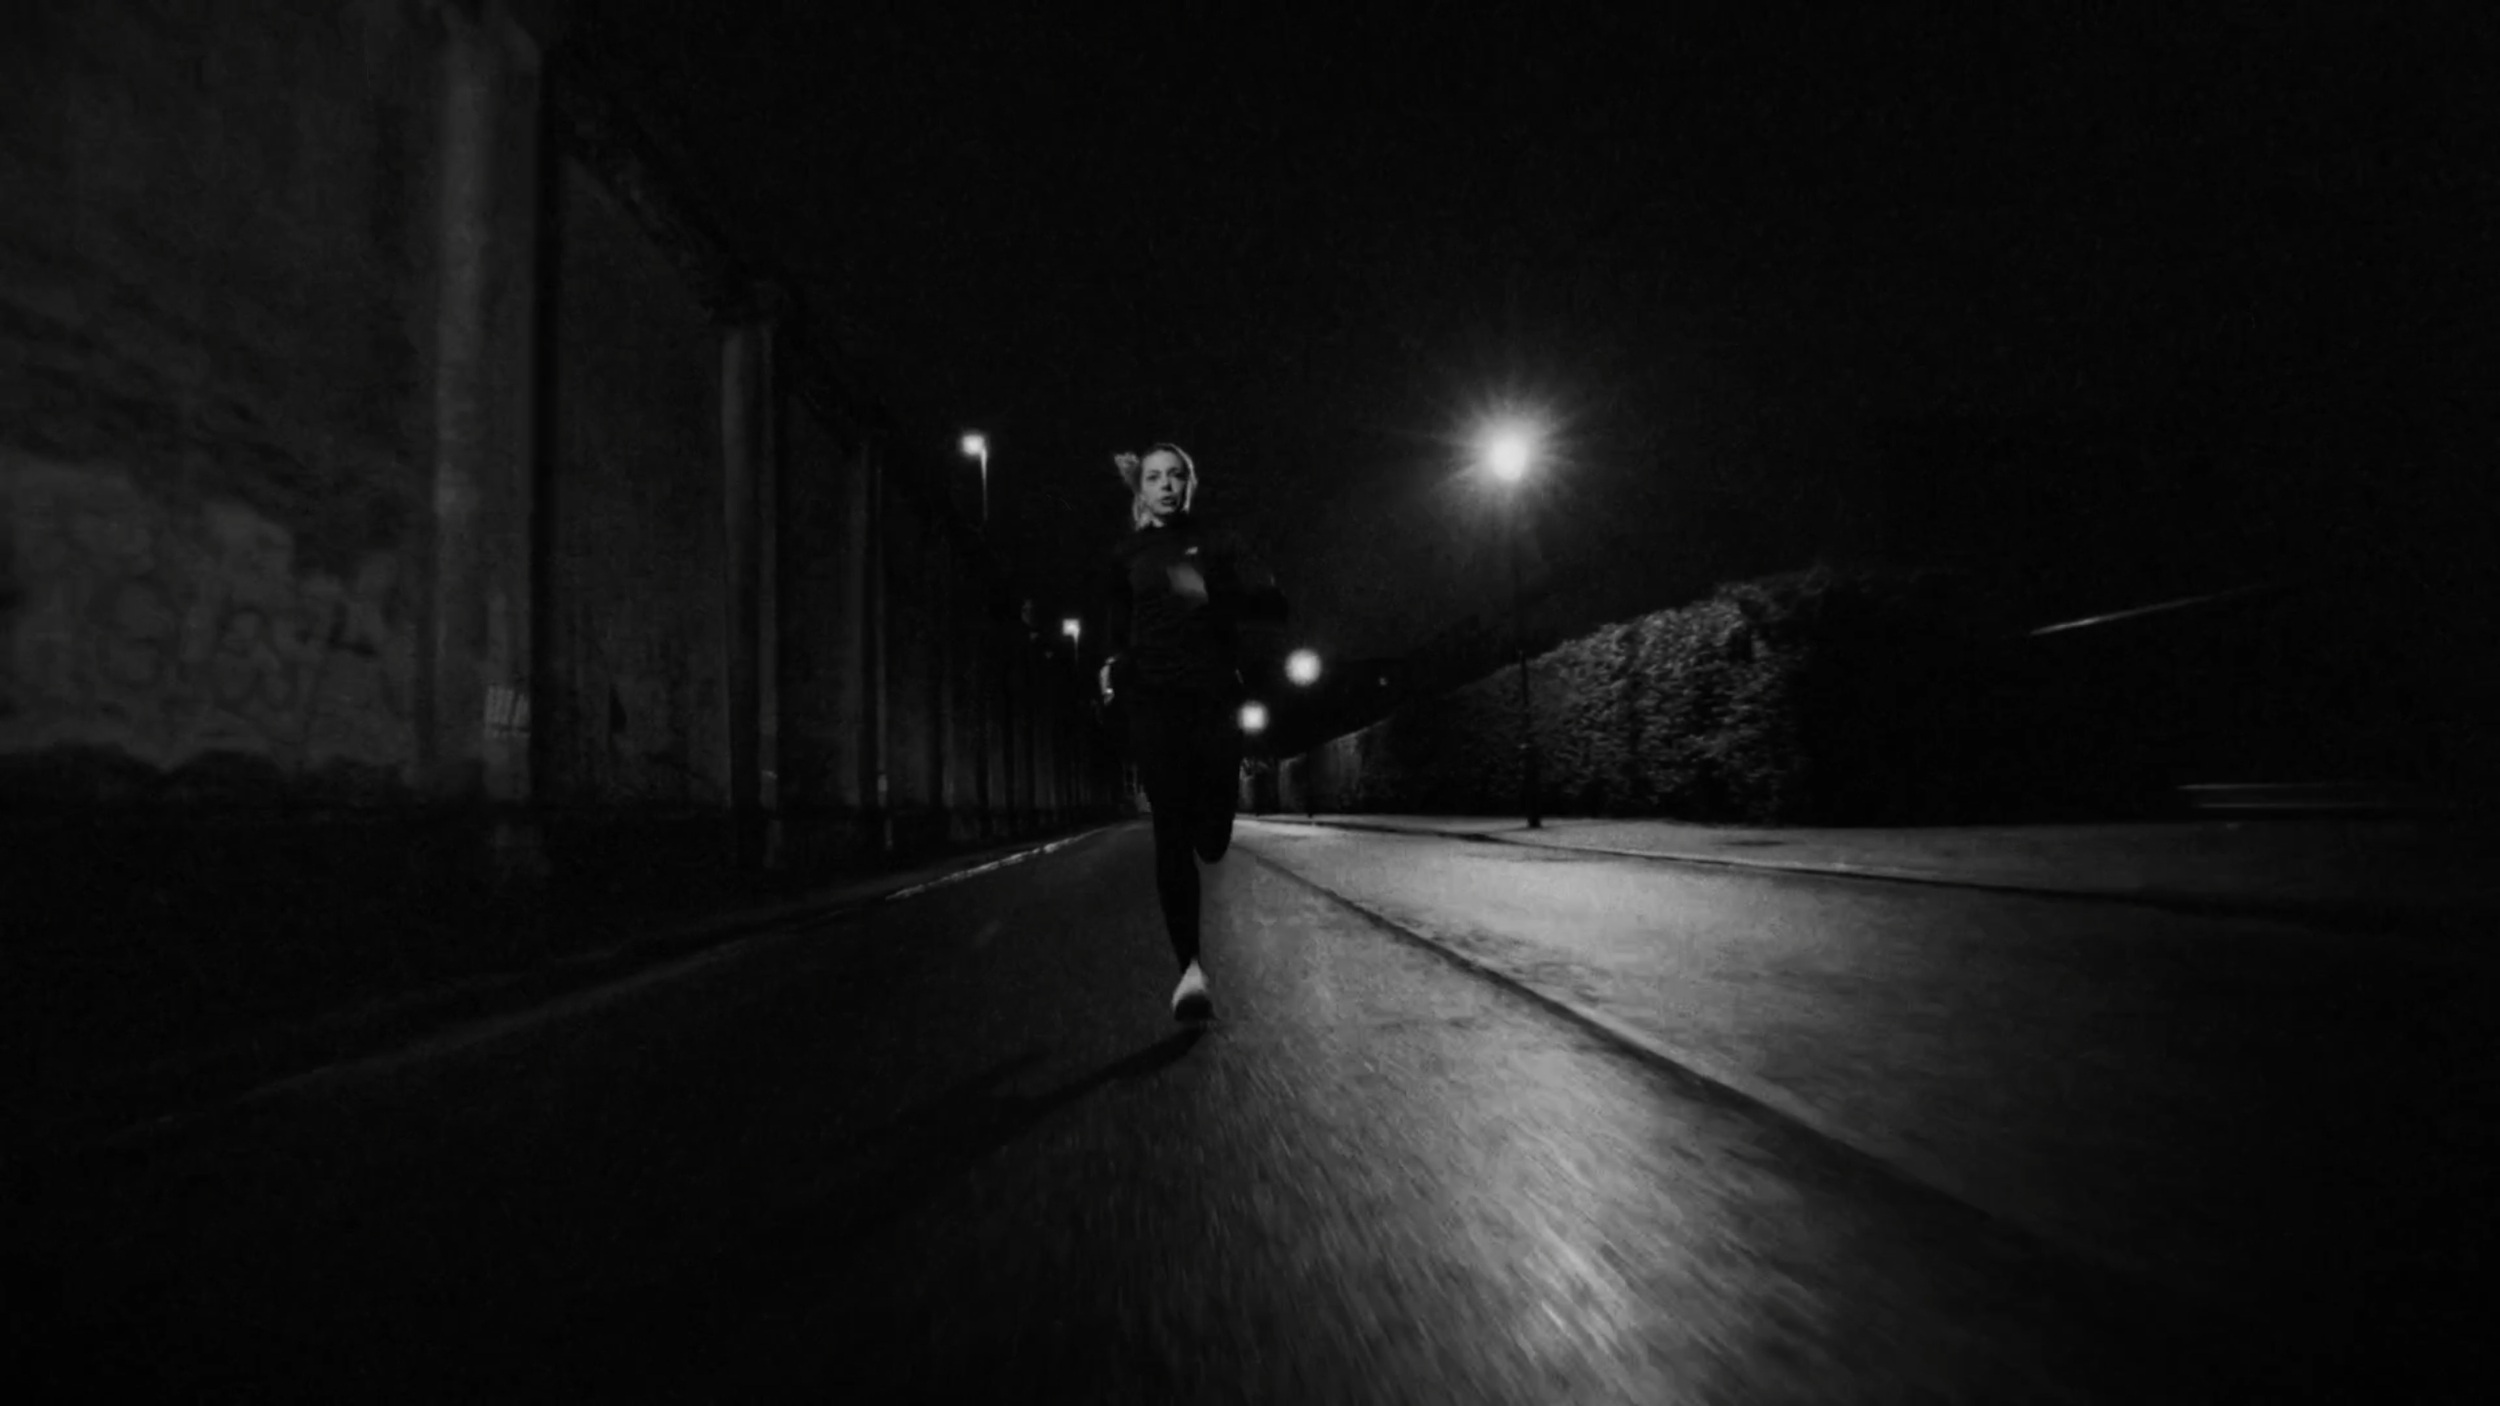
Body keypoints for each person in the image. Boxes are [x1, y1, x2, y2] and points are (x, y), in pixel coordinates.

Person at [1098, 442, 1287, 1021]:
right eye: (1154, 477)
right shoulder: (1125, 555)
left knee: (1211, 839)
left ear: (1189, 484)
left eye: (1176, 475)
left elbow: (1273, 604)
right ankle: (1190, 972)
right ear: (1142, 489)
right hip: (1154, 706)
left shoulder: (1220, 542)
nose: (1166, 485)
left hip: (1213, 701)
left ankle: (1214, 832)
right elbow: (1116, 630)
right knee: (1171, 835)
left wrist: (1217, 593)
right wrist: (1111, 670)